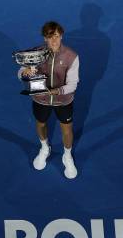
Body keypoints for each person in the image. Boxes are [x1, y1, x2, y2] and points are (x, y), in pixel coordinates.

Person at [18, 21, 80, 179]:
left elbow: (73, 84)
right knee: (41, 123)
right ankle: (45, 148)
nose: (54, 41)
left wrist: (57, 91)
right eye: (50, 37)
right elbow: (20, 73)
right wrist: (24, 73)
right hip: (40, 99)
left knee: (66, 129)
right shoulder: (35, 53)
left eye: (57, 36)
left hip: (63, 100)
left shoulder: (72, 56)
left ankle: (67, 156)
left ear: (62, 36)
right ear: (44, 38)